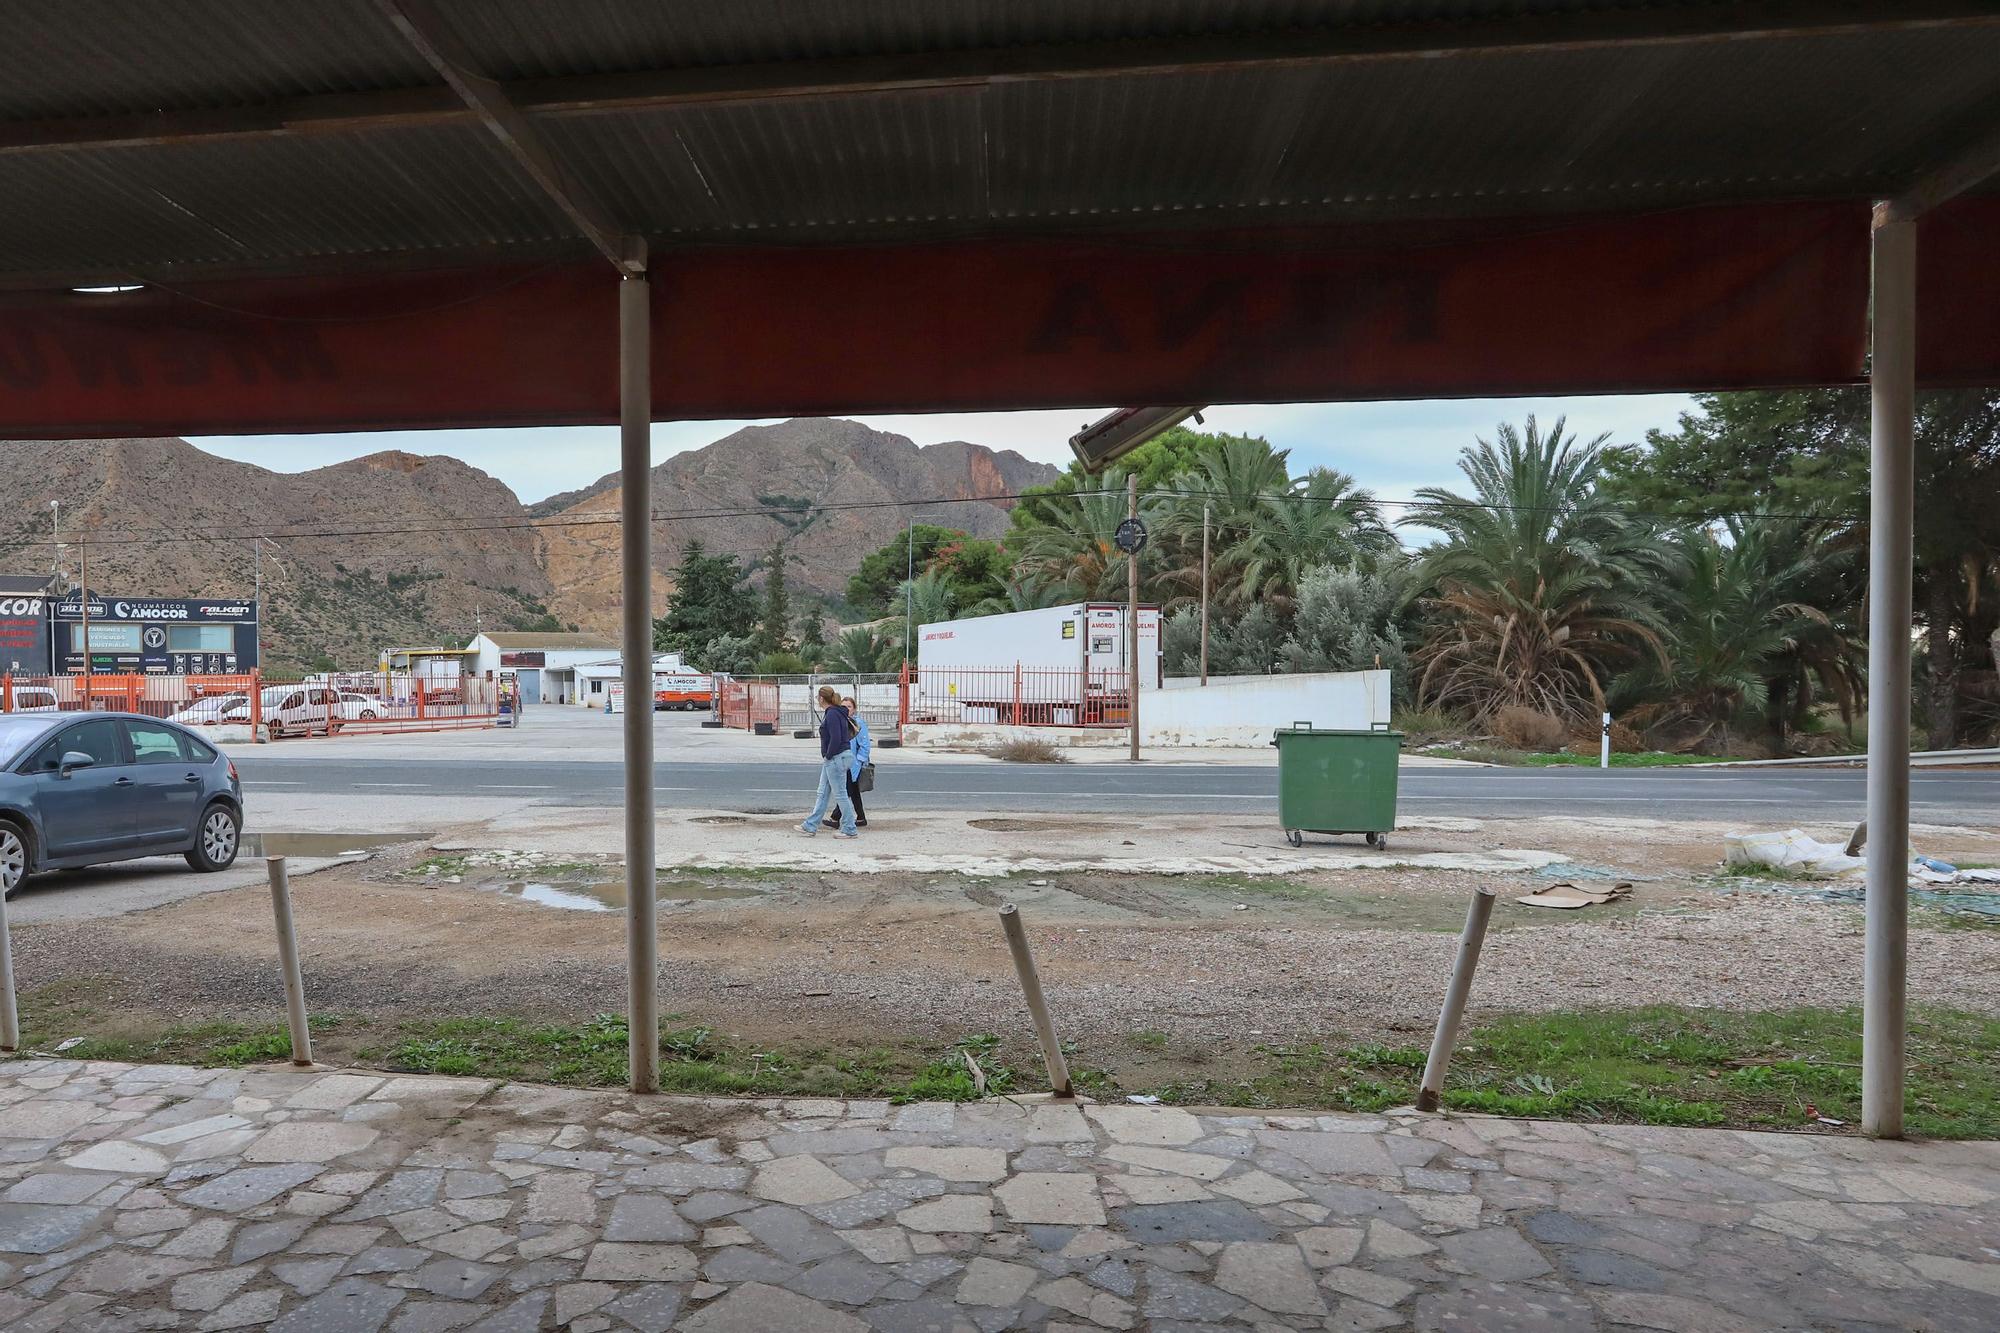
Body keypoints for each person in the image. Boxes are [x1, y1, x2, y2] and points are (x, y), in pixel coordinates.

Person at [799, 685, 859, 837]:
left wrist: (828, 755)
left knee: (840, 795)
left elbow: (836, 738)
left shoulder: (832, 714)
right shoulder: (837, 712)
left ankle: (849, 828)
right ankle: (811, 825)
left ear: (821, 698)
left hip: (835, 758)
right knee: (823, 793)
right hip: (838, 757)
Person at [844, 694, 872, 828]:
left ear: (854, 709)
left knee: (847, 790)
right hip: (845, 761)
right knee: (853, 790)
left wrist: (860, 761)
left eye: (849, 706)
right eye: (843, 706)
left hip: (855, 763)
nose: (847, 709)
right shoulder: (843, 722)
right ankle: (861, 818)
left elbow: (865, 744)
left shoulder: (858, 723)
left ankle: (835, 817)